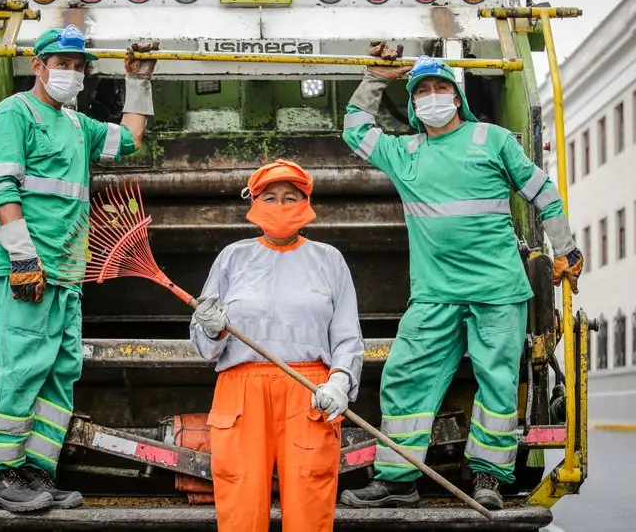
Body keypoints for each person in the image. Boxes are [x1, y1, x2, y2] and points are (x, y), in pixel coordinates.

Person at [338, 47, 584, 511]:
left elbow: (542, 192)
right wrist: (376, 77)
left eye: (441, 88)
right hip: (435, 294)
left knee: (497, 384)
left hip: (497, 290)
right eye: (423, 91)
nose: (432, 97)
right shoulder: (405, 152)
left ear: (456, 96)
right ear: (412, 105)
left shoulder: (491, 140)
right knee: (405, 376)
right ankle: (397, 481)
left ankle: (488, 479)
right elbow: (355, 128)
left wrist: (565, 248)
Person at [0, 24, 159, 512]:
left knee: (59, 372)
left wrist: (139, 79)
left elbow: (131, 139)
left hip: (66, 273)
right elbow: (1, 191)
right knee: (20, 369)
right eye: (62, 64)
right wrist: (24, 258)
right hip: (24, 268)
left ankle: (36, 474)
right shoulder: (14, 113)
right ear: (38, 66)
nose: (71, 73)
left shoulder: (78, 125)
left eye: (78, 67)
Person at [189, 160, 365, 532]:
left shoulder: (329, 260)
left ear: (306, 202)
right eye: (270, 197)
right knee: (239, 506)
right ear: (253, 202)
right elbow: (204, 348)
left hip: (308, 393)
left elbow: (348, 337)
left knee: (310, 504)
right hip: (240, 394)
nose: (281, 205)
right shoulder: (232, 258)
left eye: (291, 197)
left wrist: (339, 382)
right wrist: (212, 330)